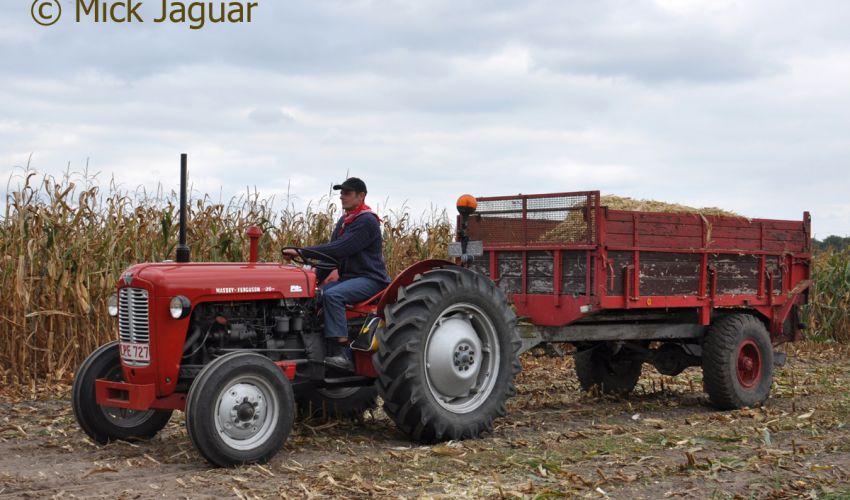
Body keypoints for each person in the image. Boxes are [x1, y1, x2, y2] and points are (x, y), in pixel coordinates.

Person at [283, 177, 390, 371]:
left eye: (347, 193)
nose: (342, 197)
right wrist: (313, 283)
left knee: (333, 296)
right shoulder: (344, 221)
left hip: (370, 279)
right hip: (350, 279)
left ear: (361, 196)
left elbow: (340, 248)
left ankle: (344, 354)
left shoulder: (367, 221)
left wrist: (302, 252)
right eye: (341, 193)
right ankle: (317, 349)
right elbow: (331, 259)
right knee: (315, 297)